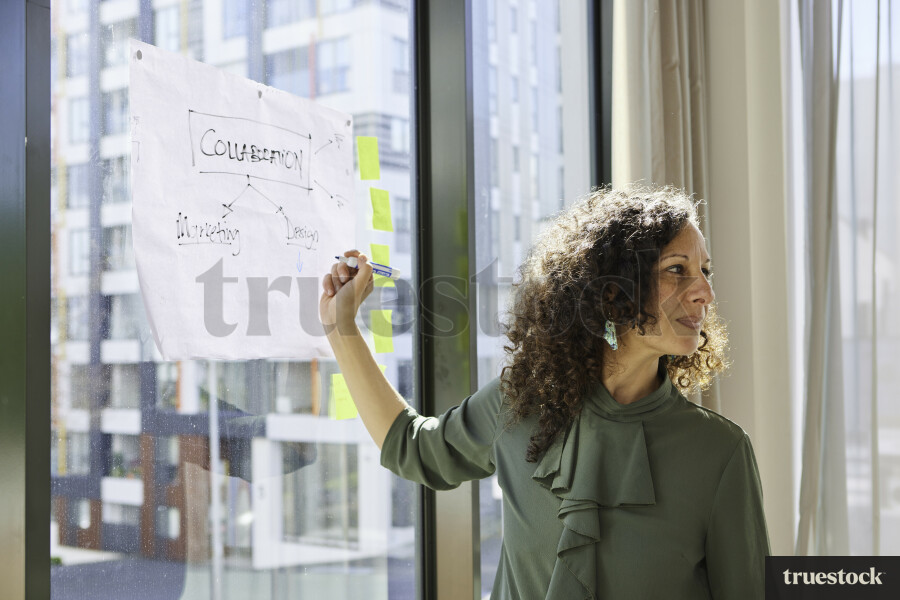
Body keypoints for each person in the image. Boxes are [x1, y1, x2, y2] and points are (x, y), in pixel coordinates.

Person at [319, 185, 770, 599]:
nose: (706, 292)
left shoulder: (721, 452)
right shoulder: (521, 402)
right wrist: (341, 330)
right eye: (678, 269)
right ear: (611, 289)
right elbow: (411, 448)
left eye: (705, 271)